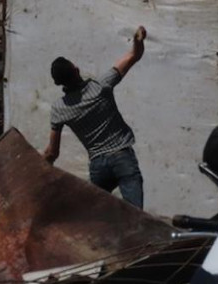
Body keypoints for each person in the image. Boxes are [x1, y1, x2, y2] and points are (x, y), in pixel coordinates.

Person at [44, 26, 147, 208]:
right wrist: (138, 41)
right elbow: (134, 56)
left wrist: (39, 170)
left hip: (98, 166)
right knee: (136, 216)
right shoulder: (101, 86)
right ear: (76, 69)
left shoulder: (59, 109)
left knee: (98, 219)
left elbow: (52, 152)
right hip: (122, 157)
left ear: (58, 83)